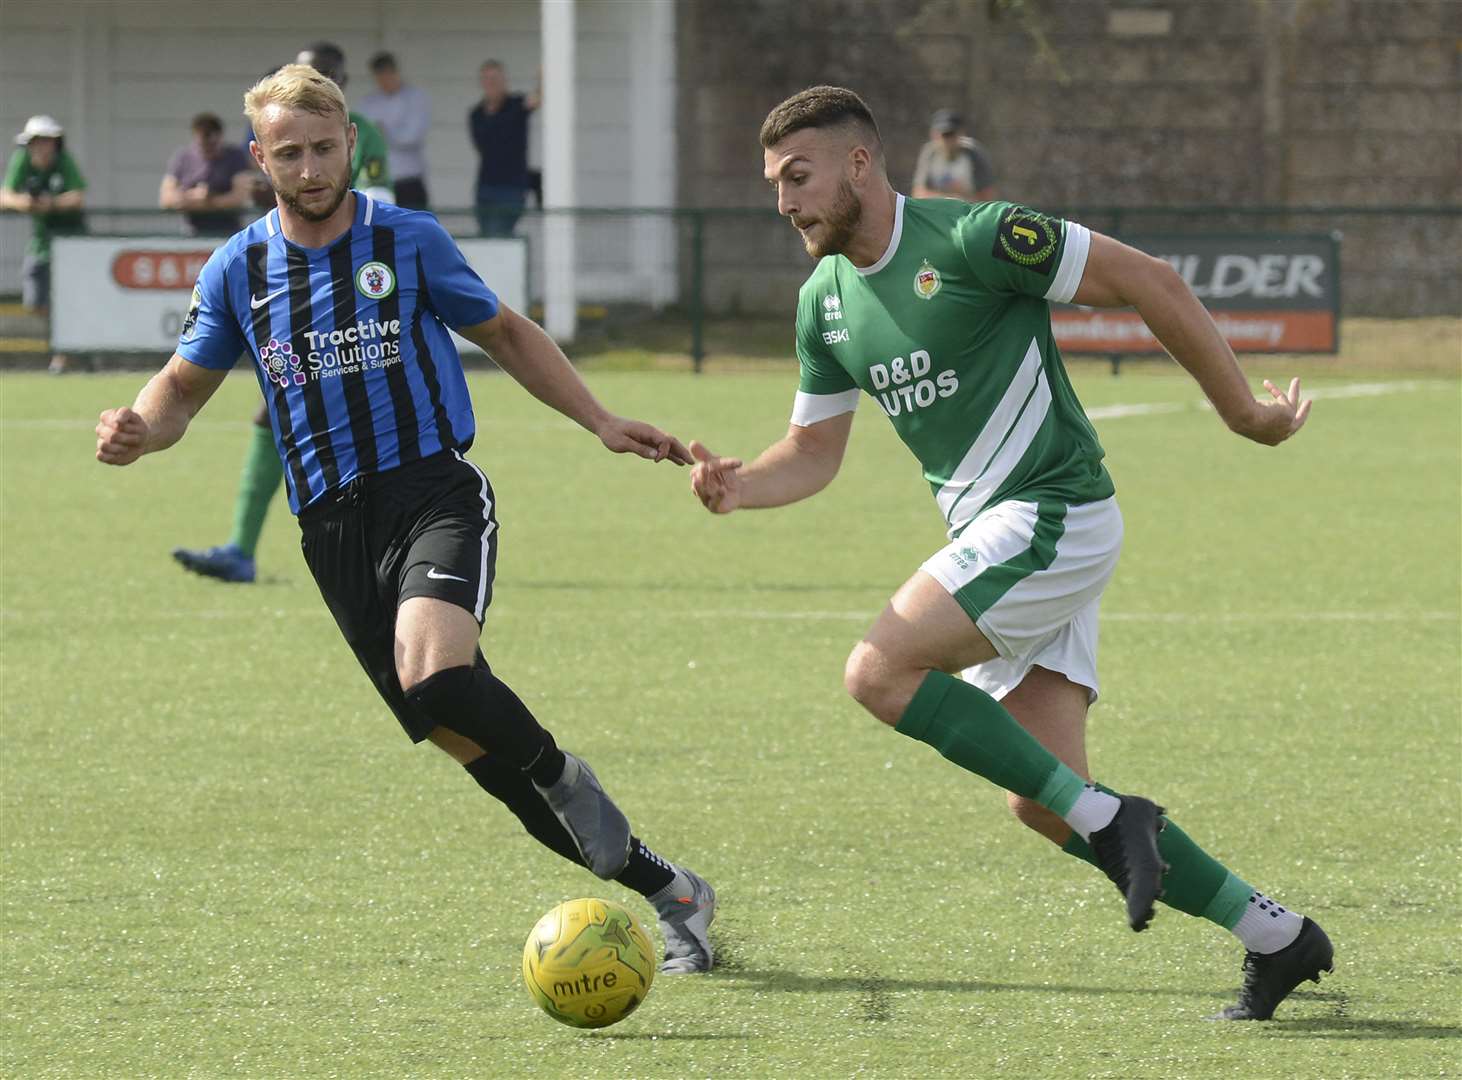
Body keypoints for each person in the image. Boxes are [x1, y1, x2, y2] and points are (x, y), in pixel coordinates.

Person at [688, 86, 1330, 1020]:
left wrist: (1246, 415)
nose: (783, 200)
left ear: (859, 165)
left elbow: (1152, 279)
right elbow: (815, 452)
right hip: (1002, 543)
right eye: (773, 184)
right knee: (1044, 798)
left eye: (799, 176)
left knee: (877, 670)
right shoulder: (823, 302)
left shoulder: (975, 237)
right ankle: (1276, 935)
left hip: (1052, 512)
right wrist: (743, 485)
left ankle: (1123, 822)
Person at [96, 64, 716, 975]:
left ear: (352, 143)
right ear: (260, 158)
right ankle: (672, 892)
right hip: (331, 535)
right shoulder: (241, 268)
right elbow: (183, 389)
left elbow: (505, 333)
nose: (309, 168)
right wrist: (139, 429)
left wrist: (601, 420)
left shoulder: (408, 239)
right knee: (471, 748)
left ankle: (562, 775)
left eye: (323, 147)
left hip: (432, 491)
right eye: (288, 153)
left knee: (437, 675)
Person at [172, 42, 394, 583]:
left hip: (355, 278)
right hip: (300, 277)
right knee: (275, 408)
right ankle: (243, 549)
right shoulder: (282, 127)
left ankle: (393, 540)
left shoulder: (361, 128)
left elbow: (376, 194)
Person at [0, 115, 86, 374]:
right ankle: (61, 341)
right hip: (40, 241)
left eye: (45, 141)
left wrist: (52, 204)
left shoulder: (64, 162)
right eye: (35, 142)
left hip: (70, 239)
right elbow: (5, 195)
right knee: (35, 300)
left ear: (55, 143)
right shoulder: (22, 161)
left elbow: (77, 197)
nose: (40, 147)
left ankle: (64, 353)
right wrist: (25, 203)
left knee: (68, 299)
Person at [469, 60, 538, 238]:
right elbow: (483, 145)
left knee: (500, 234)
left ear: (504, 81)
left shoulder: (517, 104)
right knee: (486, 237)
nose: (491, 83)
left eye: (495, 79)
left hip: (512, 187)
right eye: (487, 79)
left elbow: (537, 99)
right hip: (486, 187)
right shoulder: (477, 114)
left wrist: (543, 77)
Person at [159, 112, 256, 236]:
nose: (208, 150)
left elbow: (240, 197)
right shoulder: (182, 158)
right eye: (203, 145)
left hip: (228, 231)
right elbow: (166, 199)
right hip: (193, 232)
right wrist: (193, 196)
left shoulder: (235, 156)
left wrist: (209, 199)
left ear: (220, 137)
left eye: (212, 145)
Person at [359, 51, 431, 210]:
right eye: (379, 76)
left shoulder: (414, 98)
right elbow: (363, 135)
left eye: (386, 74)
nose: (383, 80)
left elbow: (413, 135)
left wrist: (385, 133)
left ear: (394, 72)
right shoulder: (369, 102)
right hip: (379, 179)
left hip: (408, 177)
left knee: (414, 228)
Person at [911, 108, 996, 202]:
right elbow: (918, 193)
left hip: (969, 209)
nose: (947, 140)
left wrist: (962, 199)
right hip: (938, 208)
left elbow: (987, 195)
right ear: (934, 135)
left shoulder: (973, 153)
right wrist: (950, 198)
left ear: (961, 133)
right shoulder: (930, 153)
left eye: (951, 134)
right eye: (944, 135)